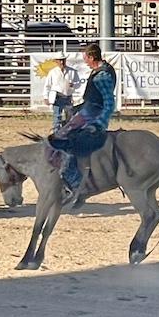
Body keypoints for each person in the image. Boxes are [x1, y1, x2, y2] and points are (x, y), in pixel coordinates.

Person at [48, 43, 116, 204]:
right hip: (89, 113)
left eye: (86, 58)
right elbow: (94, 100)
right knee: (60, 137)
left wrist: (99, 124)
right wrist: (75, 109)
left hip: (92, 117)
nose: (85, 62)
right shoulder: (101, 71)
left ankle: (75, 181)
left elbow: (108, 103)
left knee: (66, 141)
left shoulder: (102, 76)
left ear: (92, 57)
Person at [43, 51, 81, 132]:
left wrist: (73, 85)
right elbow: (47, 85)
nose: (61, 62)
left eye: (63, 60)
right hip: (57, 97)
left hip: (68, 97)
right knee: (57, 118)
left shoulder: (72, 72)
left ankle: (67, 133)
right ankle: (56, 134)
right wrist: (46, 97)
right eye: (59, 60)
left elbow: (79, 84)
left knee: (69, 118)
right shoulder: (53, 72)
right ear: (56, 61)